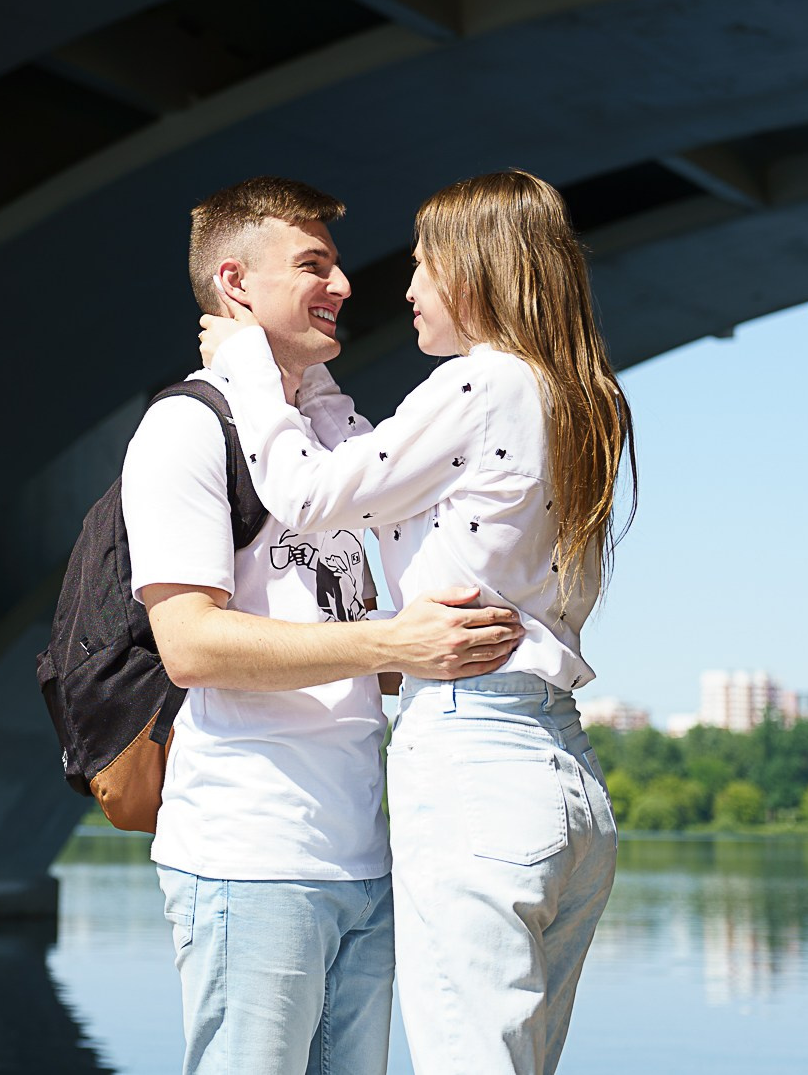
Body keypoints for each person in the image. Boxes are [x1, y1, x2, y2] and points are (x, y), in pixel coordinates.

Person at [202, 169, 634, 1075]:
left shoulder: (483, 382)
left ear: (475, 273)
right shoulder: (579, 395)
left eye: (426, 266)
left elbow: (310, 494)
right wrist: (309, 385)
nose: (404, 287)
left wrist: (244, 363)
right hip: (562, 773)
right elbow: (373, 478)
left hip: (473, 758)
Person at [123, 175, 527, 1075]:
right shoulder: (188, 430)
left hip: (365, 861)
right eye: (314, 264)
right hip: (250, 855)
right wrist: (393, 642)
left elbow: (326, 622)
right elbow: (189, 645)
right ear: (236, 284)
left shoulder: (326, 444)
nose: (344, 284)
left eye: (336, 263)